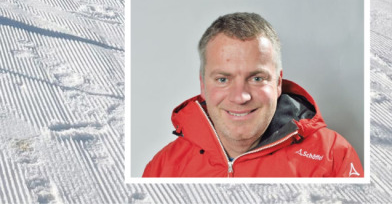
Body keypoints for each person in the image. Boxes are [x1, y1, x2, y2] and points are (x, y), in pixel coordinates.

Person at [142, 12, 363, 178]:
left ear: (277, 83)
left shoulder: (333, 156)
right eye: (223, 79)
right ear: (203, 85)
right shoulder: (164, 167)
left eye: (257, 78)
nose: (240, 97)